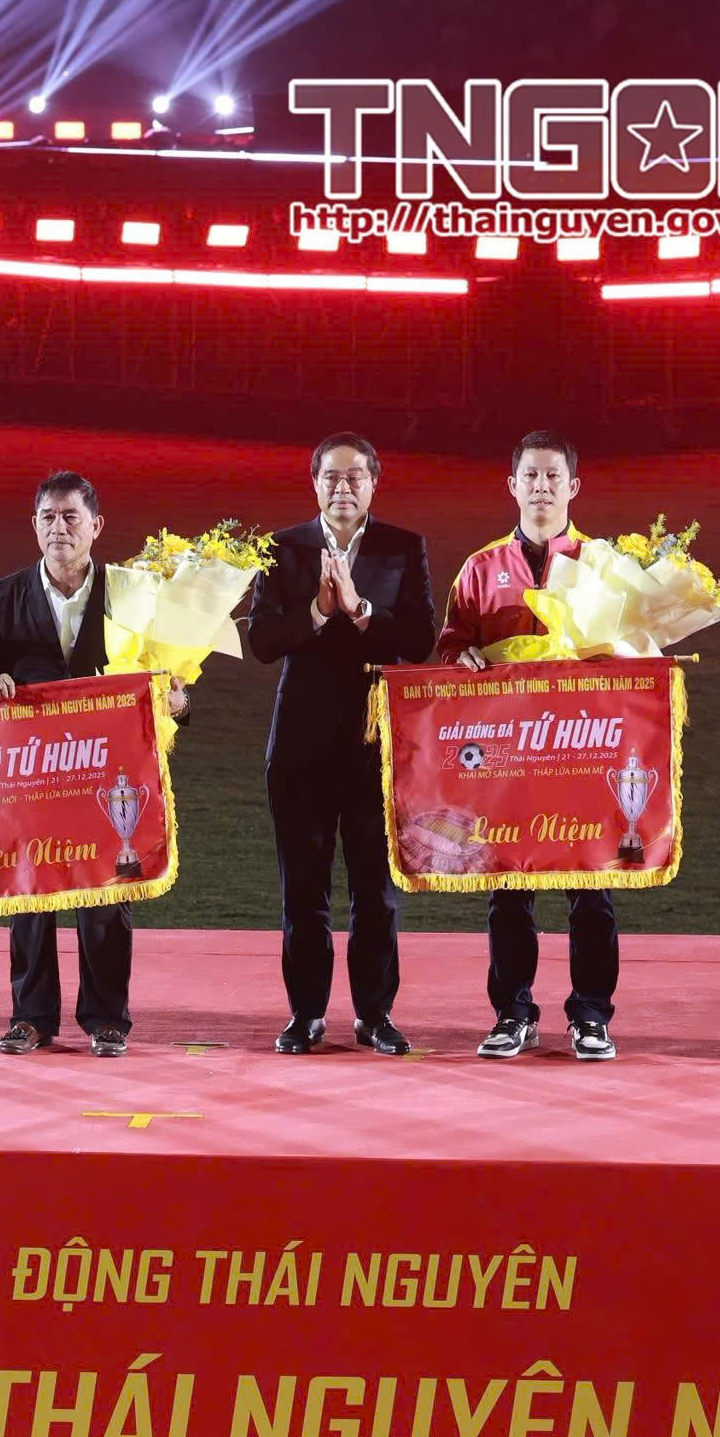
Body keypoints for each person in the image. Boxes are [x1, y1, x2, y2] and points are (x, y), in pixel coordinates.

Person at [0, 472, 189, 1059]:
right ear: (34, 525)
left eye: (70, 516)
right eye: (48, 517)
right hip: (33, 771)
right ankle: (30, 1017)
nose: (58, 527)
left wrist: (178, 701)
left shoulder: (131, 592)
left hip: (106, 769)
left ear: (96, 526)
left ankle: (107, 1019)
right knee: (28, 894)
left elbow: (164, 676)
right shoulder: (5, 594)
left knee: (107, 892)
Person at [432, 428, 621, 1062]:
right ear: (512, 485)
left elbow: (632, 650)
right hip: (508, 758)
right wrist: (461, 659)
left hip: (582, 753)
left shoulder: (603, 565)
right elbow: (451, 646)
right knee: (508, 885)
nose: (542, 486)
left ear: (574, 486)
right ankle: (513, 1013)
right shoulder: (479, 568)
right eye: (531, 476)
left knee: (592, 885)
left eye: (552, 476)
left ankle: (591, 1015)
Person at [245, 433, 435, 1056]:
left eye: (355, 477)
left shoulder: (403, 547)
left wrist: (361, 611)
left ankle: (375, 1015)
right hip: (299, 744)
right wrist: (318, 613)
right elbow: (261, 641)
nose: (343, 487)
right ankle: (306, 1014)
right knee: (303, 889)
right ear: (314, 483)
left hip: (375, 743)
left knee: (375, 890)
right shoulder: (281, 548)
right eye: (331, 476)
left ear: (375, 483)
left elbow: (420, 640)